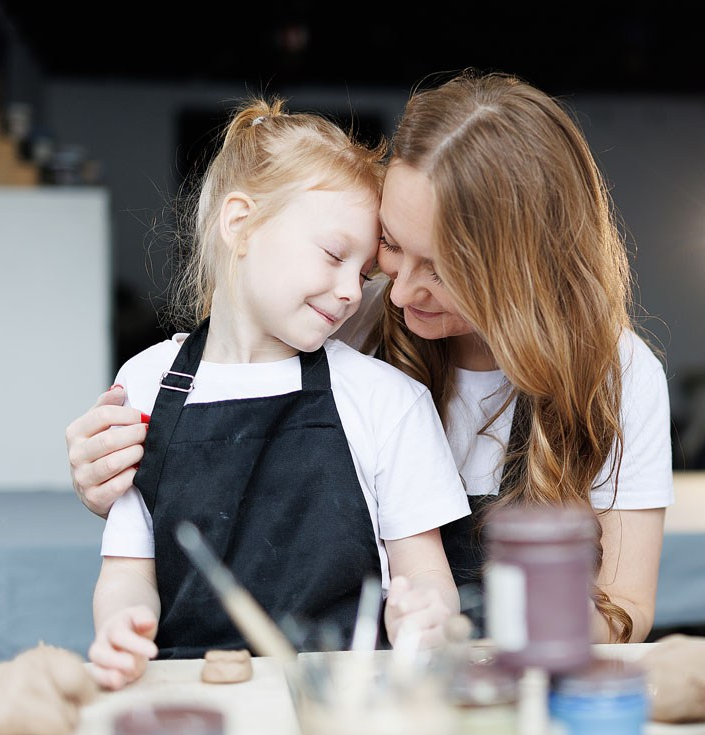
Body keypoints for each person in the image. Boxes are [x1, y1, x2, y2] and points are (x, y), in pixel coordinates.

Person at [67, 71, 672, 646]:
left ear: (522, 269)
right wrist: (117, 476)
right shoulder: (341, 318)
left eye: (441, 270)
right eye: (391, 244)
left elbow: (626, 610)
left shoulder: (616, 375)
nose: (397, 293)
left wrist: (488, 629)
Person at [86, 97, 469, 690]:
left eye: (364, 273)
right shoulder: (145, 383)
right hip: (196, 692)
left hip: (343, 699)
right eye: (333, 255)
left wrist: (426, 614)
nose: (350, 293)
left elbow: (425, 576)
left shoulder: (387, 400)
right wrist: (121, 628)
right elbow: (129, 574)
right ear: (240, 223)